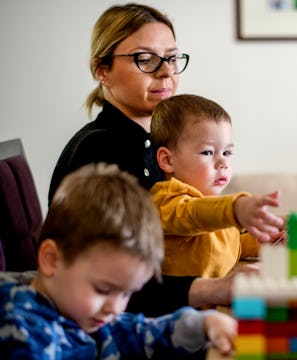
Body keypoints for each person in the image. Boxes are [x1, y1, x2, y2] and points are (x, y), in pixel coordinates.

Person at [47, 3, 257, 315]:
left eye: (172, 58)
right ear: (101, 70)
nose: (166, 72)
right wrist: (214, 288)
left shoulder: (150, 144)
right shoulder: (103, 151)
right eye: (145, 60)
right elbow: (107, 278)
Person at [0, 163, 236, 358]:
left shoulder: (83, 313)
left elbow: (136, 331)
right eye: (103, 289)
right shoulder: (24, 337)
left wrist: (204, 324)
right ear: (52, 259)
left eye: (126, 294)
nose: (115, 307)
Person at [150, 94, 286, 278]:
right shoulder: (165, 200)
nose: (223, 162)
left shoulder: (214, 205)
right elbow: (193, 215)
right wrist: (235, 208)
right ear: (167, 160)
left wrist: (258, 243)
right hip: (178, 304)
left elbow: (223, 248)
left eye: (227, 152)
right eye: (207, 152)